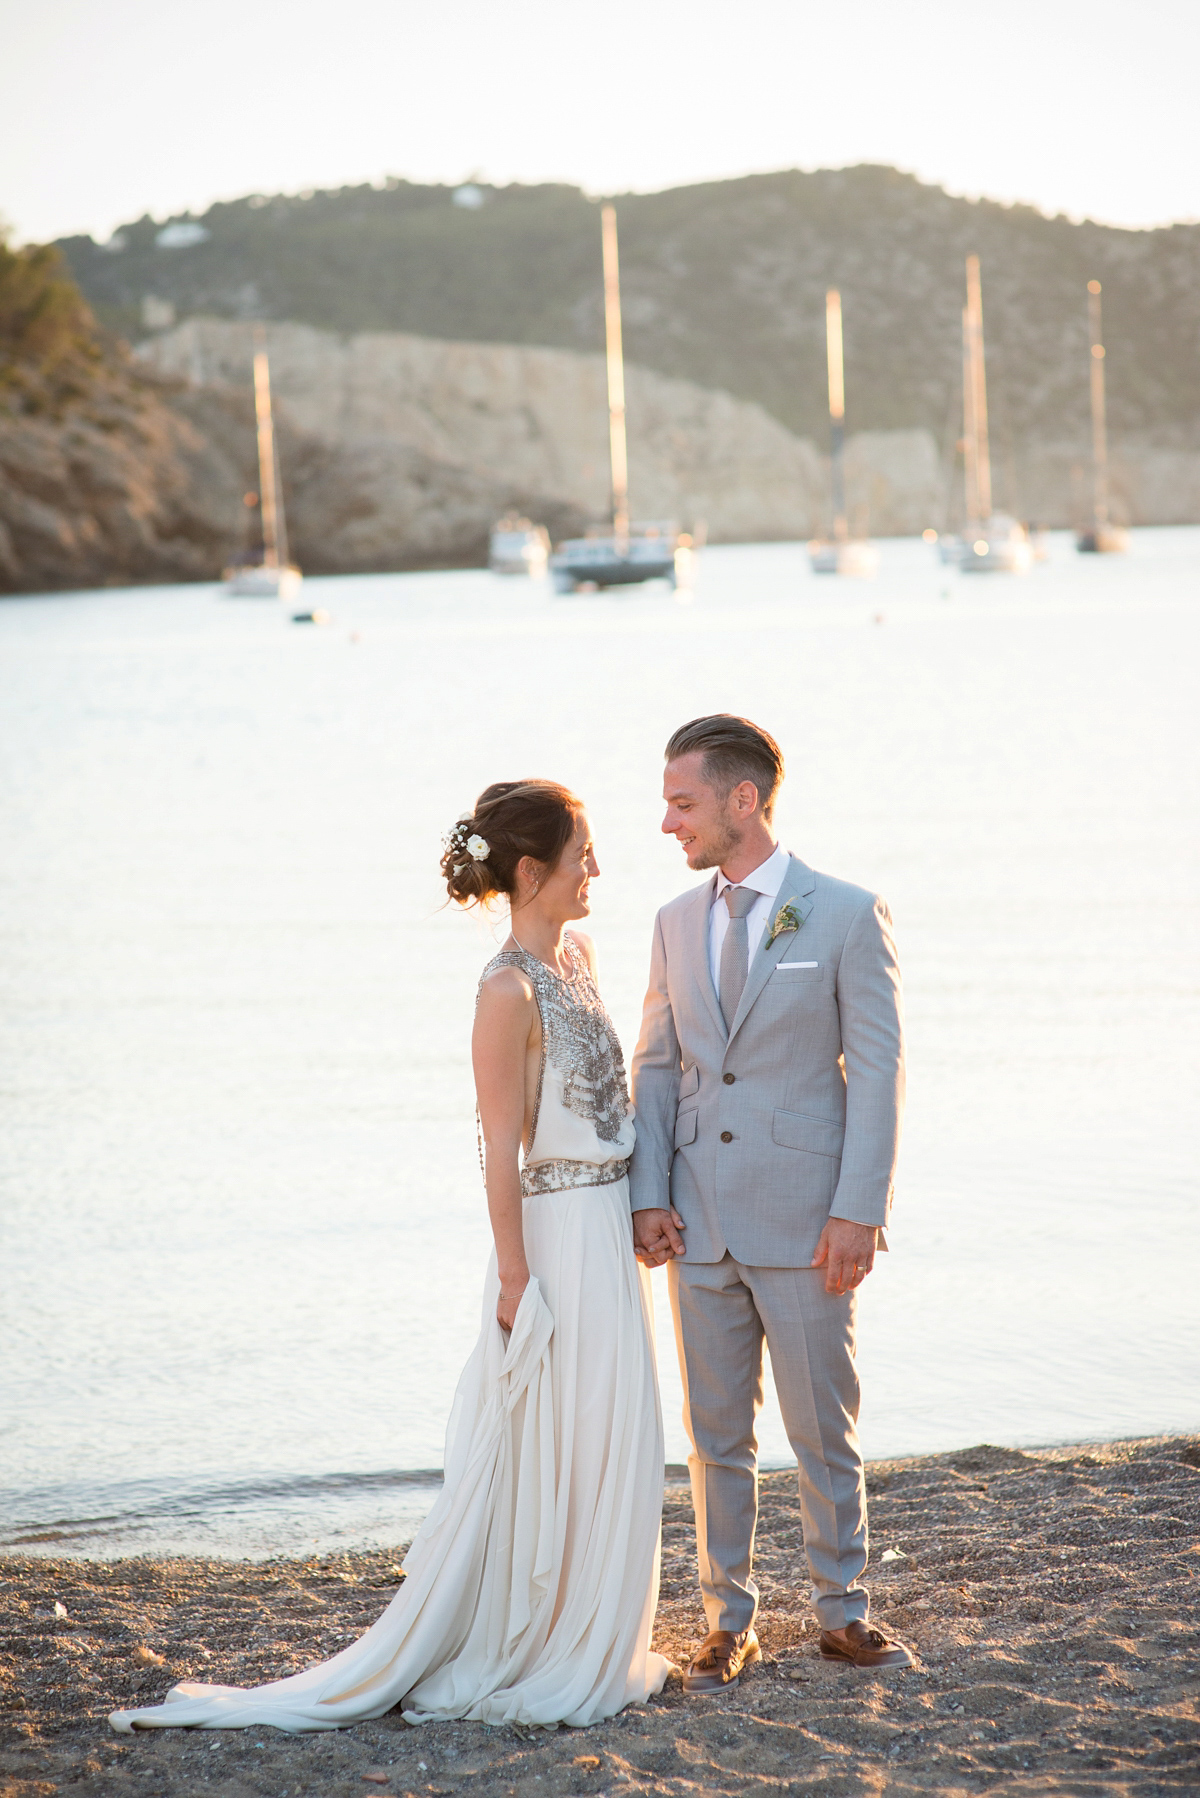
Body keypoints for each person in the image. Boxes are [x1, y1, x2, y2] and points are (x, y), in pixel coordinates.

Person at [111, 779, 671, 1734]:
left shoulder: (577, 956)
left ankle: (595, 1627)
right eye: (584, 856)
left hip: (608, 1230)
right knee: (554, 1440)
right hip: (555, 1244)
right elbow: (500, 1144)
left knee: (611, 1439)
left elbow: (608, 1106)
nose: (598, 872)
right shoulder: (505, 989)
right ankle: (538, 1640)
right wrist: (513, 1277)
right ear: (532, 871)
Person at [628, 715, 912, 1690]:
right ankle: (727, 1619)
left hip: (806, 1219)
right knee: (715, 1436)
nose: (669, 821)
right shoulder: (673, 921)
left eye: (683, 801)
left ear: (742, 801)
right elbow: (657, 1067)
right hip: (698, 1221)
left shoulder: (841, 912)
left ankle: (843, 1611)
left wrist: (857, 1208)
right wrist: (649, 1195)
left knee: (822, 1425)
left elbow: (875, 1072)